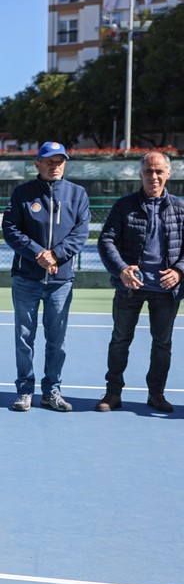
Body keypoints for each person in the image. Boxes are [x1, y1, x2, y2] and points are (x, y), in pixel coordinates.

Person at [2, 141, 90, 412]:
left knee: (57, 340)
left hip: (61, 282)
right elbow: (10, 229)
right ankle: (25, 390)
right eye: (49, 161)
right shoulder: (23, 193)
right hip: (26, 279)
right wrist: (39, 253)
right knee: (24, 338)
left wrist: (56, 255)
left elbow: (80, 232)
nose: (55, 166)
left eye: (60, 161)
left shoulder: (77, 194)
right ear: (37, 163)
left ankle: (52, 390)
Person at [96, 152, 183, 414]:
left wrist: (179, 271)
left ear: (168, 174)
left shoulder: (180, 208)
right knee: (120, 339)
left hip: (166, 291)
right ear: (141, 174)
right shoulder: (124, 206)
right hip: (129, 288)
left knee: (162, 343)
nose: (153, 176)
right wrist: (122, 269)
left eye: (158, 171)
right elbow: (106, 240)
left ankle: (156, 394)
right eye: (148, 171)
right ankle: (113, 393)